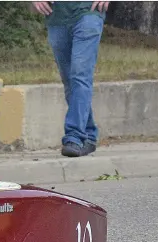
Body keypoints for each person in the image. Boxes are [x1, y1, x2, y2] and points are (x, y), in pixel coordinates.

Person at [32, 1, 109, 157]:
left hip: (89, 13)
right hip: (57, 16)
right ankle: (89, 136)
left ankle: (74, 137)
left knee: (79, 75)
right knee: (69, 80)